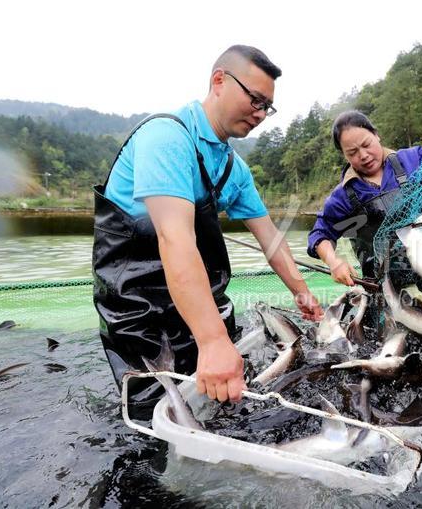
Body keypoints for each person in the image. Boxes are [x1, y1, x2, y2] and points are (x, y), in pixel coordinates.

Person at [93, 45, 323, 417]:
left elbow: (270, 238)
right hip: (137, 301)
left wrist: (302, 292)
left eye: (268, 107)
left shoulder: (234, 168)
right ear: (219, 81)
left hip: (198, 291)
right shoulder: (166, 138)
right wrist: (213, 340)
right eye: (255, 99)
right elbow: (175, 239)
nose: (260, 113)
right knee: (153, 410)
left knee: (225, 399)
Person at [307, 110, 422, 285]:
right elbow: (320, 234)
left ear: (376, 135)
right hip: (383, 285)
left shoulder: (412, 160)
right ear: (344, 154)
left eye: (366, 144)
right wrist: (333, 262)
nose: (363, 155)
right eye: (352, 152)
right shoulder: (342, 196)